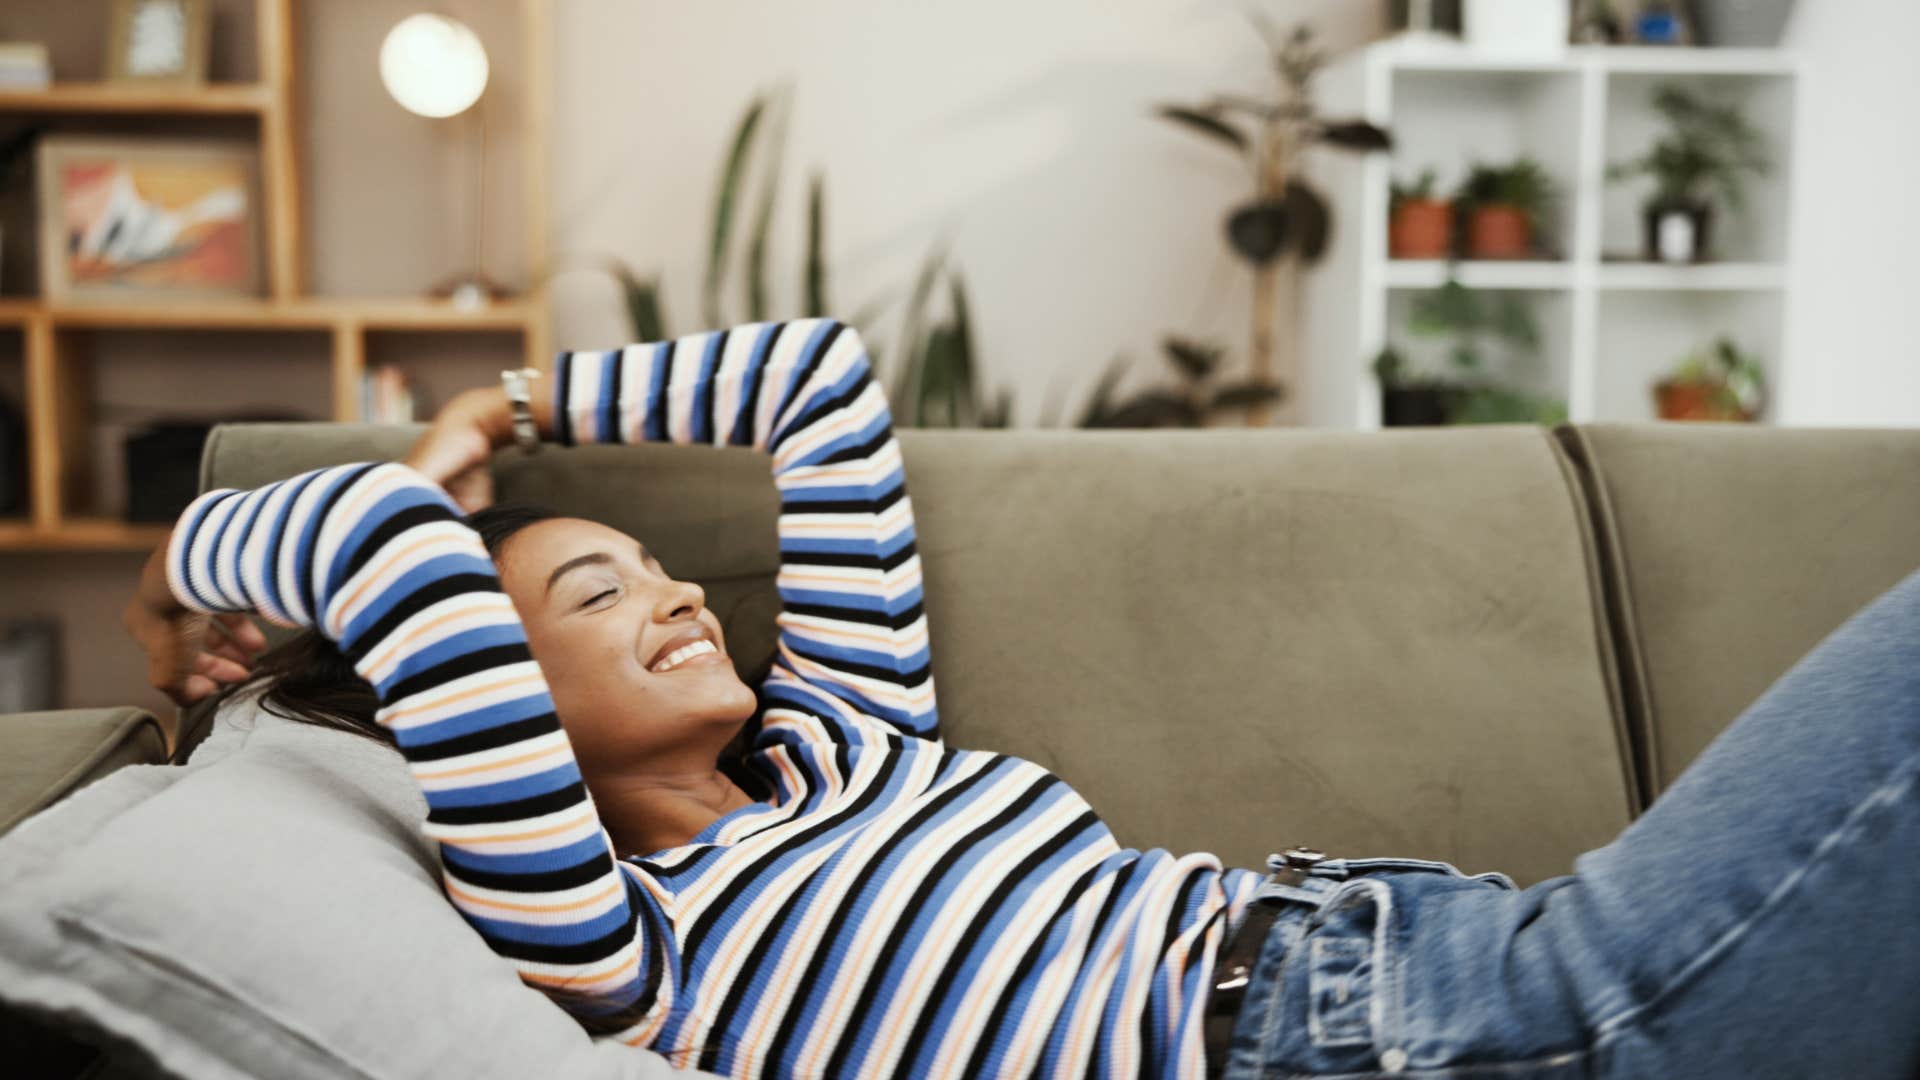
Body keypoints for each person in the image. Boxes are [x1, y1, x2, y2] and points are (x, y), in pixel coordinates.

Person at [123, 318, 1920, 1080]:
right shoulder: (613, 935)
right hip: (1378, 1039)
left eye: (656, 566)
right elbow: (392, 555)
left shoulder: (852, 738)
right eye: (596, 592)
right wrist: (184, 572)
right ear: (490, 700)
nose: (673, 591)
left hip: (1425, 954)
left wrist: (514, 405)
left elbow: (814, 382)